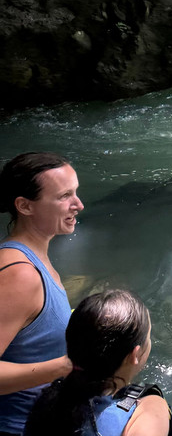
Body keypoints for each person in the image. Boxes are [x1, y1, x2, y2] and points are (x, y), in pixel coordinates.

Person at [0, 152, 83, 435]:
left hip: (47, 419)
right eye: (64, 196)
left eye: (76, 192)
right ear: (25, 206)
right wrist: (67, 367)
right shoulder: (19, 274)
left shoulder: (37, 262)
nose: (79, 204)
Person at [24, 289, 172, 436]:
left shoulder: (46, 401)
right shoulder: (148, 410)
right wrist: (155, 404)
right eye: (148, 337)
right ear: (134, 355)